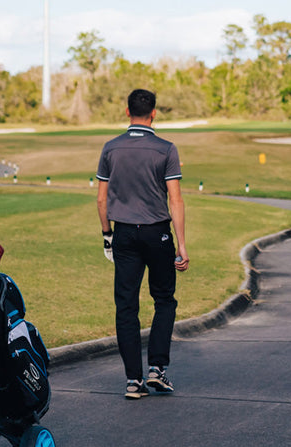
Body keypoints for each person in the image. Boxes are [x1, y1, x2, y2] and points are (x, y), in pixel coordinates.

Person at [96, 89, 190, 400]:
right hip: (157, 233)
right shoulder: (166, 149)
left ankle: (133, 381)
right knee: (164, 300)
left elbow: (102, 199)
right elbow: (175, 200)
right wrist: (182, 245)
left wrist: (107, 234)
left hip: (124, 234)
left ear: (127, 112)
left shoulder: (111, 148)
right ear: (154, 114)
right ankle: (157, 369)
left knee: (126, 306)